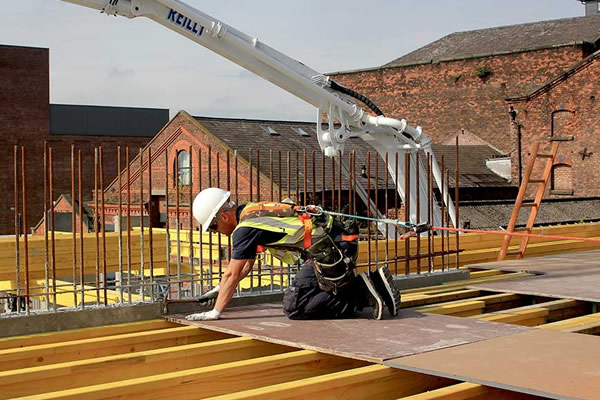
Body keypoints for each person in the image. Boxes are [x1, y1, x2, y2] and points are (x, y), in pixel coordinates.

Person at [185, 187, 416, 321]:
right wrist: (219, 290)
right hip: (339, 242)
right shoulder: (250, 212)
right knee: (305, 297)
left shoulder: (244, 230)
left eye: (213, 227)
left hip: (329, 251)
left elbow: (232, 275)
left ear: (223, 217)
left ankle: (364, 290)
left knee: (296, 306)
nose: (216, 232)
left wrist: (215, 312)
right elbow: (244, 267)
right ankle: (372, 285)